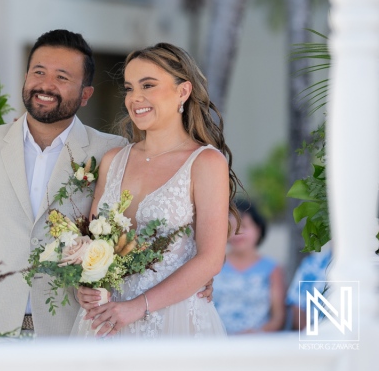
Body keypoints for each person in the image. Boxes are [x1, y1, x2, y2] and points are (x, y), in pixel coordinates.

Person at [0, 31, 213, 337]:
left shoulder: (111, 151)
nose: (46, 85)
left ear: (85, 94)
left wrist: (195, 266)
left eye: (62, 77)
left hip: (71, 328)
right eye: (38, 72)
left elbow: (145, 228)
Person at [74, 42, 236, 338]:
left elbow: (211, 259)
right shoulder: (113, 161)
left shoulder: (206, 162)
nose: (136, 98)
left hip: (174, 324)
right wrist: (84, 282)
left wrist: (138, 306)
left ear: (183, 92)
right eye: (129, 88)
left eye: (148, 85)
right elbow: (91, 241)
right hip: (106, 321)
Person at [213, 199, 285, 334]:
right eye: (231, 228)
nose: (237, 233)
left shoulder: (272, 269)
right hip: (217, 342)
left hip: (257, 345)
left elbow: (278, 318)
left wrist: (257, 333)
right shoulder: (214, 264)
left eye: (244, 227)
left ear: (258, 228)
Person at [286, 246, 332, 331]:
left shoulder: (362, 266)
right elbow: (296, 306)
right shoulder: (312, 264)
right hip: (316, 336)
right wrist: (310, 337)